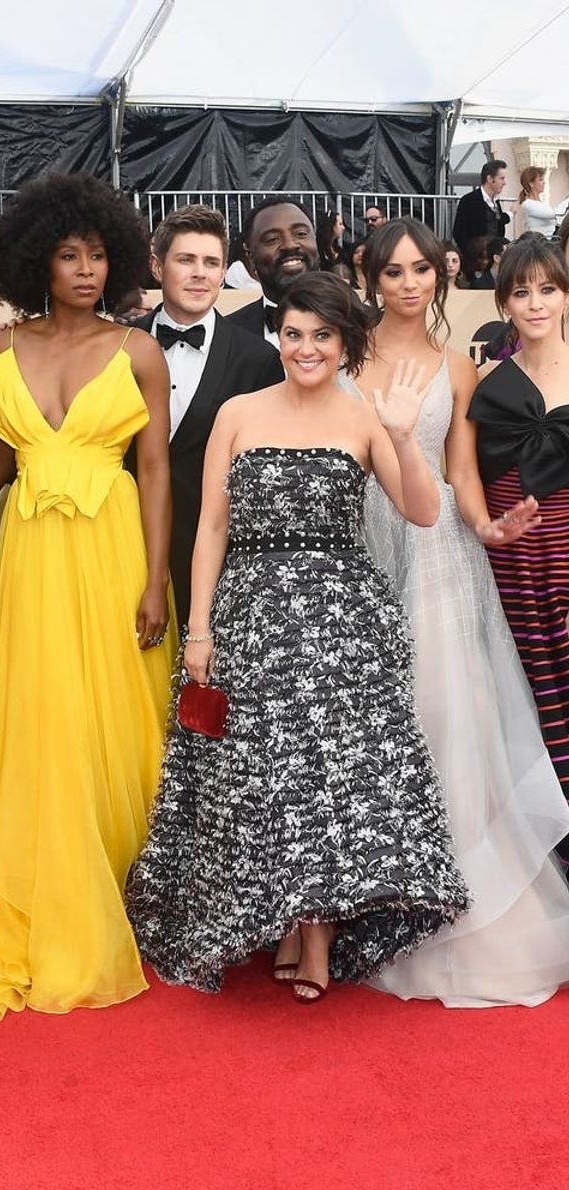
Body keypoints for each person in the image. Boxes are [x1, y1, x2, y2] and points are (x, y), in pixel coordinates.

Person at [126, 272, 469, 1003]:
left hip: (342, 623)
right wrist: (198, 628)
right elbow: (211, 527)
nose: (306, 348)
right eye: (293, 334)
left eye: (322, 336)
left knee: (325, 779)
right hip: (252, 616)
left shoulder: (364, 417)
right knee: (263, 774)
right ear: (276, 338)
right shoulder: (238, 413)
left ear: (344, 344)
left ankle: (315, 933)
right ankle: (289, 917)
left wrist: (402, 436)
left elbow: (422, 512)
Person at [0, 173, 176, 1019]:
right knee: (39, 714)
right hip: (29, 555)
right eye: (68, 254)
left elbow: (156, 470)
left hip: (113, 547)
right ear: (36, 262)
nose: (85, 270)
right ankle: (42, 886)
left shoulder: (140, 352)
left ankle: (124, 888)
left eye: (98, 255)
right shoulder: (2, 350)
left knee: (112, 713)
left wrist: (156, 579)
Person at [344, 217, 569, 1007]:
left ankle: (456, 898)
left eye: (421, 270)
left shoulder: (460, 368)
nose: (409, 284)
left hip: (438, 548)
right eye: (393, 271)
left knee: (447, 717)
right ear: (372, 279)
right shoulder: (340, 356)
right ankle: (367, 901)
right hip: (357, 548)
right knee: (370, 726)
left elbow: (462, 471)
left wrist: (485, 526)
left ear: (440, 276)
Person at [131, 204, 282, 623]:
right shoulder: (117, 345)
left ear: (223, 272)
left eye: (211, 263)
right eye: (186, 260)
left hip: (218, 561)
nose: (200, 274)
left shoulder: (258, 359)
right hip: (125, 545)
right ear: (157, 267)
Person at [470, 237, 569, 819]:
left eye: (548, 290)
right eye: (521, 292)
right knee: (529, 691)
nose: (535, 304)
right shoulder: (489, 384)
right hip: (513, 564)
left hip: (566, 554)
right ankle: (553, 826)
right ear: (504, 302)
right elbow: (470, 472)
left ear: (566, 296)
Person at [228, 198, 320, 345]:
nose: (289, 245)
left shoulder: (355, 320)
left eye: (301, 233)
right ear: (250, 257)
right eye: (272, 239)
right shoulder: (227, 334)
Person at [454, 160, 510, 270]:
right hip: (475, 263)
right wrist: (473, 256)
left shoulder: (496, 202)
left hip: (493, 263)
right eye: (501, 178)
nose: (504, 183)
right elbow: (459, 233)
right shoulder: (469, 200)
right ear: (490, 179)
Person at [514, 167, 558, 239]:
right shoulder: (527, 204)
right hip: (539, 243)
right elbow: (552, 214)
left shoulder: (541, 203)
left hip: (550, 241)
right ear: (531, 183)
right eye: (541, 180)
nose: (544, 182)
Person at [316, 208, 352, 282]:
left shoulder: (339, 249)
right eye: (340, 224)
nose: (343, 228)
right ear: (331, 226)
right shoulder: (318, 248)